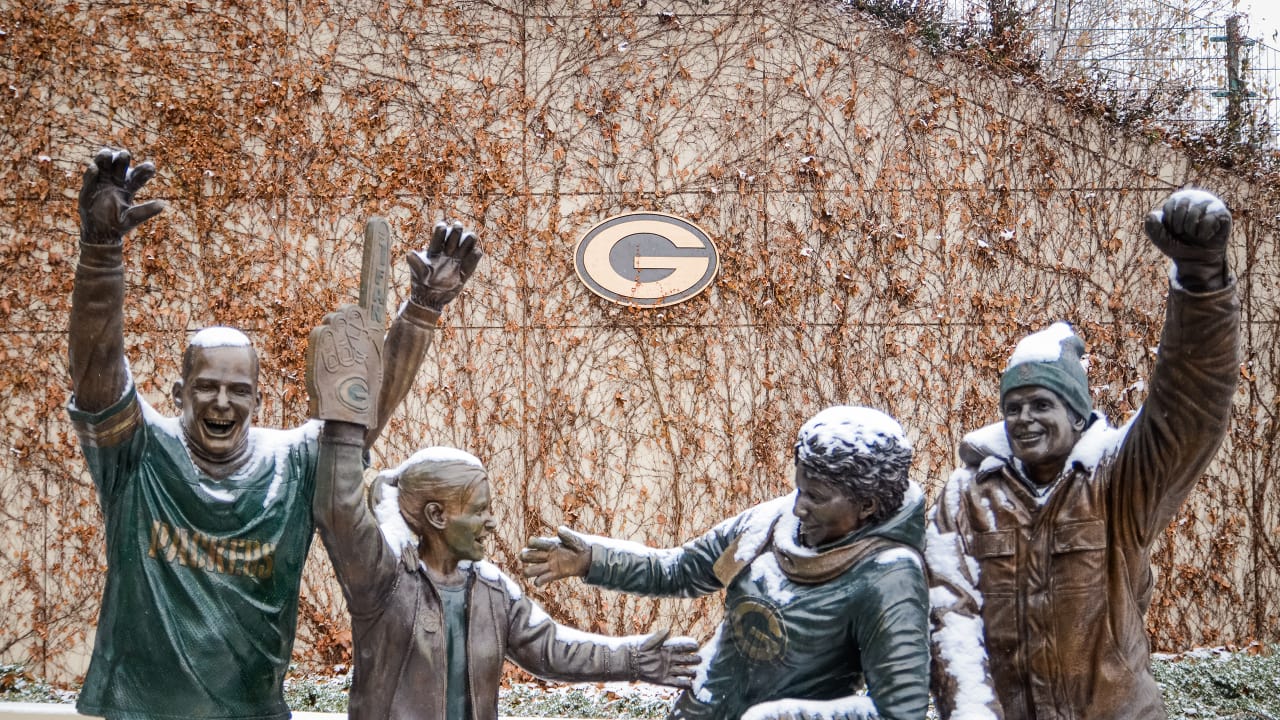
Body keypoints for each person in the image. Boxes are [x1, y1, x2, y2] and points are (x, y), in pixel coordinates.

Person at [66, 147, 480, 720]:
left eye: (239, 390)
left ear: (258, 400)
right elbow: (95, 372)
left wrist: (423, 308)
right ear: (180, 394)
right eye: (206, 387)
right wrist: (101, 253)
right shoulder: (138, 456)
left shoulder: (295, 465)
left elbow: (363, 410)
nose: (221, 401)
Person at [925, 189, 1239, 720]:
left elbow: (1188, 401)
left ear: (1077, 415)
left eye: (1041, 404)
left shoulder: (1119, 481)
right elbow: (947, 616)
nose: (1023, 418)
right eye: (1013, 406)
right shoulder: (966, 496)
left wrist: (1201, 281)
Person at [304, 315, 701, 719]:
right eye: (479, 511)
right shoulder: (385, 579)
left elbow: (553, 650)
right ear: (437, 515)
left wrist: (634, 660)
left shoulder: (492, 592)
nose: (492, 523)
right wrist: (343, 423)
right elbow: (339, 508)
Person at [520, 406, 931, 720]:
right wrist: (594, 560)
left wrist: (781, 717)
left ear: (867, 504)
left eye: (817, 497)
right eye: (799, 488)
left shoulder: (890, 576)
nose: (800, 507)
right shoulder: (768, 524)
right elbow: (680, 570)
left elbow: (899, 712)